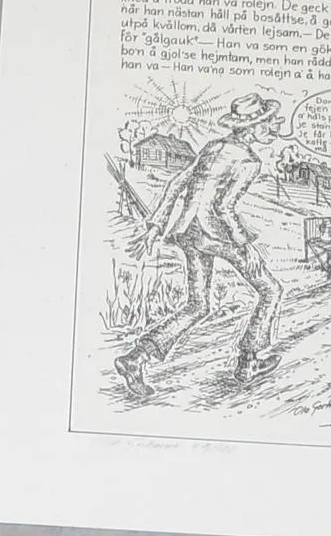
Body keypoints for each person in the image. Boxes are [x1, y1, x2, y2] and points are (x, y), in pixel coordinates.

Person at [114, 93, 291, 398]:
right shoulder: (249, 161)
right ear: (250, 128)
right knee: (271, 290)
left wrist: (156, 225)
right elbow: (223, 208)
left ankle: (136, 358)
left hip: (189, 232)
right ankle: (248, 361)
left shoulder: (212, 147)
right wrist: (245, 244)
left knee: (197, 306)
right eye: (267, 123)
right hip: (215, 234)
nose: (273, 128)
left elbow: (176, 183)